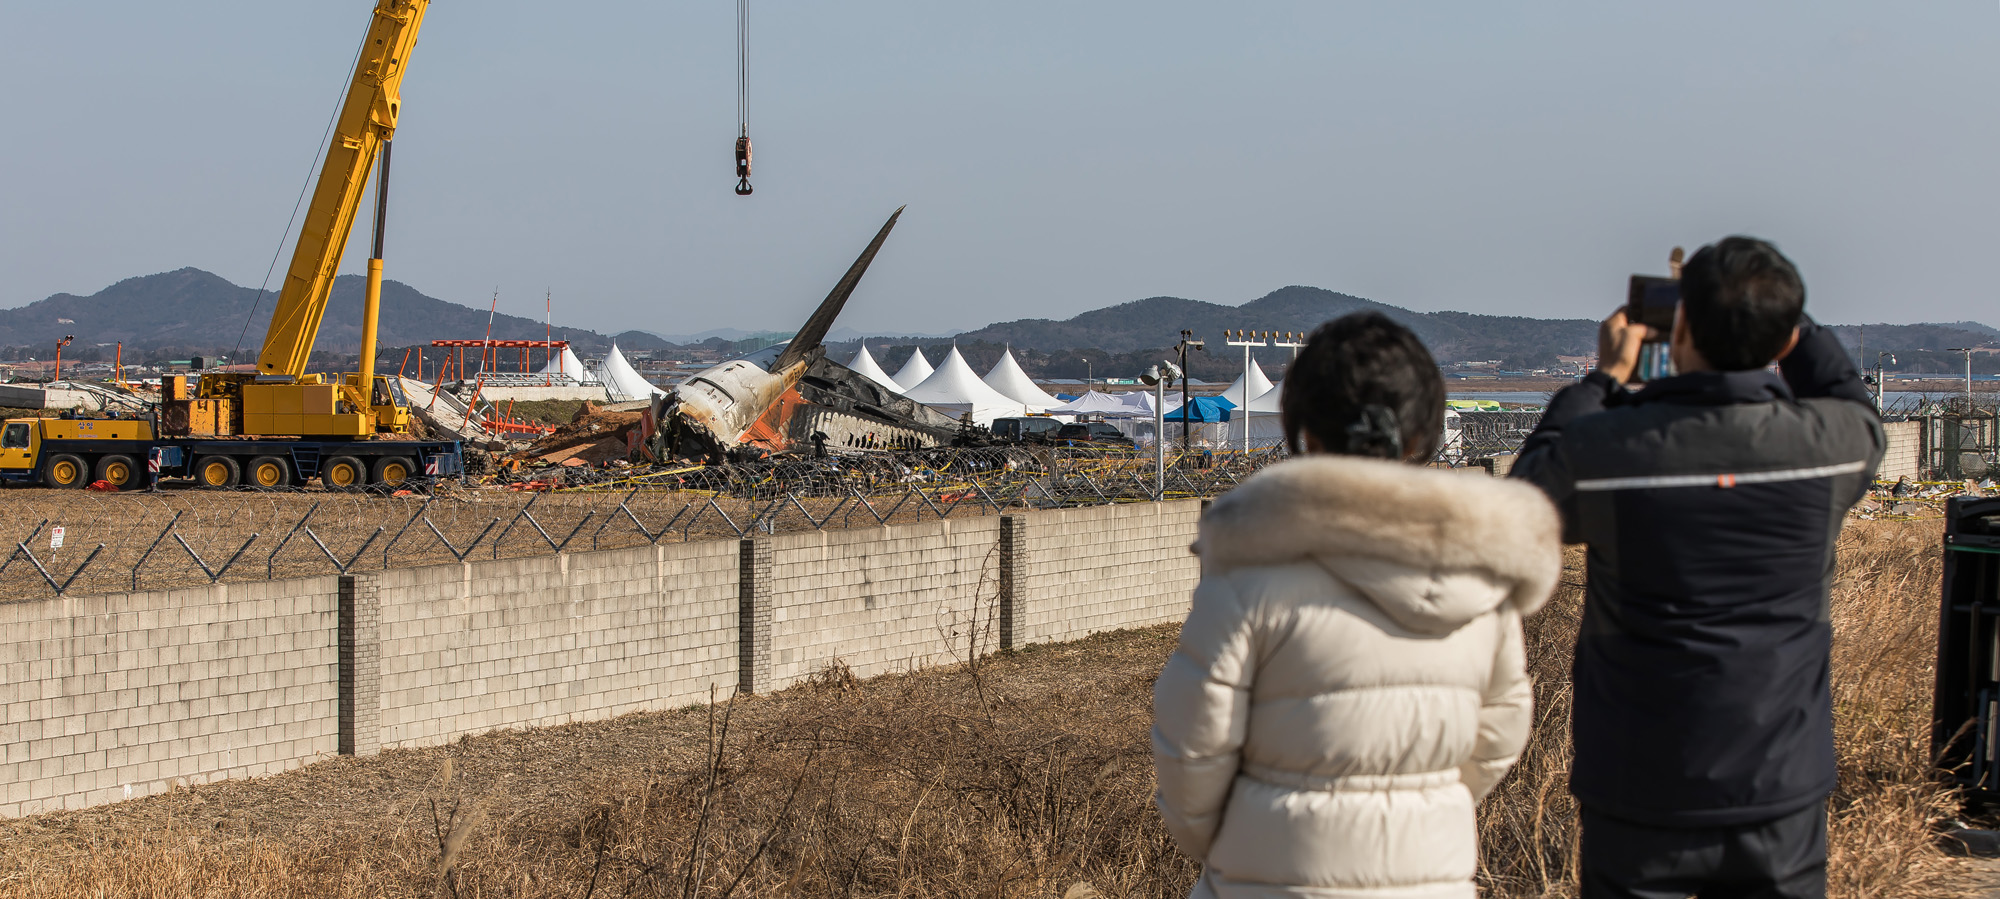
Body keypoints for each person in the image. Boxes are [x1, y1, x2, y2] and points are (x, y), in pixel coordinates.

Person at [1510, 237, 1883, 898]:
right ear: (1783, 337)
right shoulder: (1833, 445)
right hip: (1780, 783)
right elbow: (1849, 396)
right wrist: (1787, 324)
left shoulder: (1611, 450)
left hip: (1638, 781)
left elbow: (1525, 502)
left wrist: (1603, 379)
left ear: (1679, 324)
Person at [1153, 311, 1563, 898]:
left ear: (1305, 432)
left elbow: (1192, 742)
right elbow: (1499, 734)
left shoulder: (1250, 574)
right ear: (1421, 434)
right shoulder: (1481, 583)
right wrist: (1421, 802)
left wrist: (1233, 839)